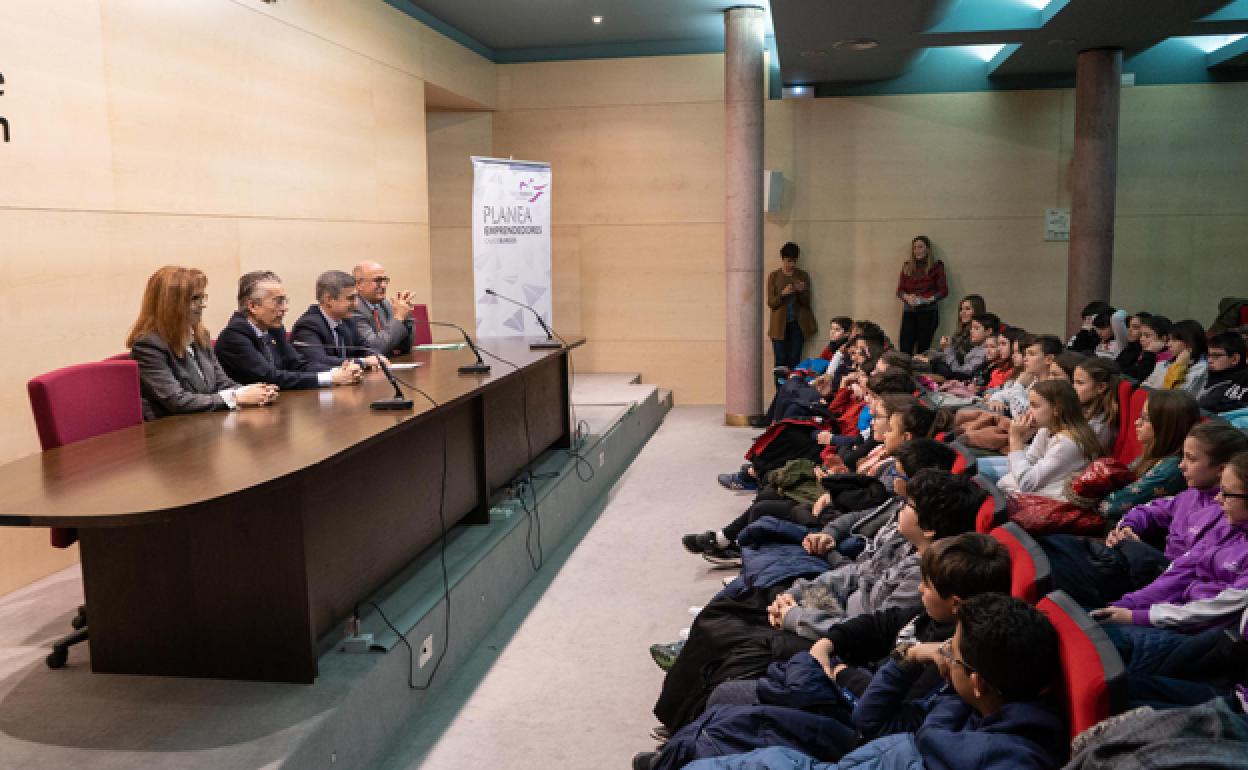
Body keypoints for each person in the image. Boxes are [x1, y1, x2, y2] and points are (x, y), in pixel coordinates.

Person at [679, 594, 1067, 770]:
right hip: (862, 745)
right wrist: (911, 655)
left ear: (979, 683)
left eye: (952, 650)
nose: (943, 652)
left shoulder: (1004, 753)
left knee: (729, 715)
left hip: (856, 743)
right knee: (727, 718)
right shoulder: (970, 704)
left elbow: (869, 722)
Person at [127, 266, 275, 420]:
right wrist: (235, 398)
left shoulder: (201, 336)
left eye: (202, 297)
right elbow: (177, 401)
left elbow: (221, 382)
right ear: (170, 304)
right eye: (195, 298)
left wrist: (257, 392)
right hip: (169, 432)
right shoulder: (148, 345)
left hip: (203, 423)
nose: (203, 305)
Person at [216, 271, 362, 390]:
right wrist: (330, 378)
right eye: (278, 301)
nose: (285, 308)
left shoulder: (275, 329)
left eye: (285, 300)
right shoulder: (234, 337)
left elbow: (297, 365)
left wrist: (338, 370)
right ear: (253, 306)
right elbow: (270, 377)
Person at [1099, 390, 1200, 524]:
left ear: (1165, 427)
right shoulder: (1154, 454)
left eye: (1145, 418)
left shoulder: (1171, 470)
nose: (1136, 423)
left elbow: (1109, 507)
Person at [998, 379, 1102, 500]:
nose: (1029, 411)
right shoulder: (1047, 428)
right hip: (1040, 491)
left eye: (1035, 406)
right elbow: (1030, 459)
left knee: (986, 479)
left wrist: (1015, 438)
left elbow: (1027, 484)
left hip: (1054, 503)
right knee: (990, 478)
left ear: (1057, 409)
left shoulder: (1067, 444)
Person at [290, 270, 385, 370]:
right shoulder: (308, 325)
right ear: (329, 300)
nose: (356, 304)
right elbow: (318, 360)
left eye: (356, 298)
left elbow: (366, 348)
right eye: (351, 298)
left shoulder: (348, 320)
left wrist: (376, 357)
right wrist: (363, 362)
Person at [766, 242, 818, 370]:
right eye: (789, 261)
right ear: (782, 259)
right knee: (780, 361)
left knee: (795, 360)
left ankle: (794, 389)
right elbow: (771, 303)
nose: (792, 265)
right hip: (778, 327)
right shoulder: (774, 276)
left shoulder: (802, 275)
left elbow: (806, 302)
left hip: (797, 325)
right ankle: (780, 390)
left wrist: (801, 291)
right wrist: (782, 294)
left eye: (794, 261)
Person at [895, 236, 947, 355]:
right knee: (905, 348)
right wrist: (907, 297)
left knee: (923, 350)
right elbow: (899, 290)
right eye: (914, 248)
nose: (917, 250)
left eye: (920, 247)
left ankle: (921, 373)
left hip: (928, 312)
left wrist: (928, 299)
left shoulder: (936, 266)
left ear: (927, 249)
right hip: (910, 312)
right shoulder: (907, 266)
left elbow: (943, 291)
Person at [350, 260, 416, 356]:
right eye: (378, 281)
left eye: (385, 280)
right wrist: (398, 317)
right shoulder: (354, 308)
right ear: (359, 284)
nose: (384, 285)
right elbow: (374, 349)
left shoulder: (384, 304)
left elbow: (404, 347)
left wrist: (406, 317)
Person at [1143, 319, 1209, 395]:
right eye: (1169, 340)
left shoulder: (1200, 370)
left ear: (1190, 342)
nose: (1168, 344)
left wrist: (1179, 366)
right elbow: (1144, 387)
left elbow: (1171, 396)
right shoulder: (1163, 364)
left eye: (1174, 340)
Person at [1198, 331, 1248, 413]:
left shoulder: (1244, 380)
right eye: (1208, 355)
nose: (1209, 360)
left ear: (1234, 359)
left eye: (1216, 356)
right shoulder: (1203, 374)